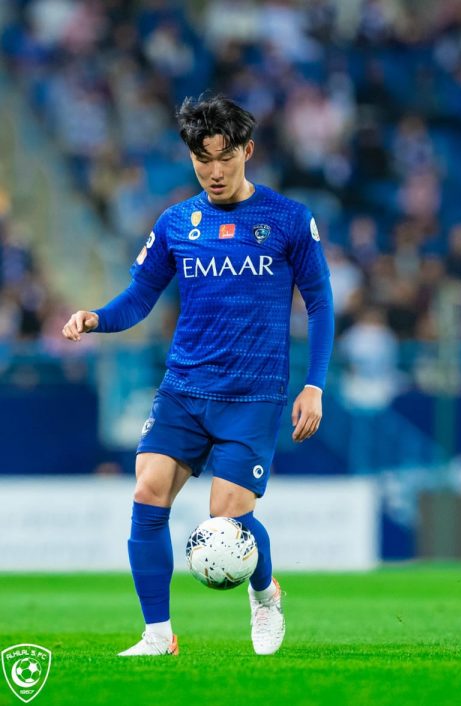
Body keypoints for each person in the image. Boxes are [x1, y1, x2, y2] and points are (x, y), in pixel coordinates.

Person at [62, 95, 334, 657]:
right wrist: (97, 318)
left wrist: (314, 385)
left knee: (228, 519)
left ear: (247, 151)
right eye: (201, 159)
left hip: (253, 395)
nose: (214, 171)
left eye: (224, 157)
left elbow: (320, 304)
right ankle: (158, 635)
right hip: (184, 389)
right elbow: (141, 296)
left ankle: (265, 595)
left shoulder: (288, 219)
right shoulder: (176, 222)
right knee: (147, 490)